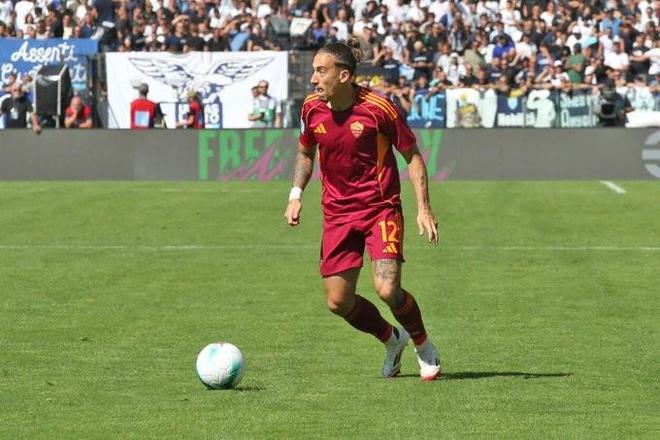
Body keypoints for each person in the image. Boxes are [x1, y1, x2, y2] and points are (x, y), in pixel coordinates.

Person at [283, 39, 441, 380]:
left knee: (387, 289)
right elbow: (305, 154)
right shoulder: (311, 108)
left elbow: (412, 157)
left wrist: (423, 209)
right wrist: (296, 194)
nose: (313, 79)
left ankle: (423, 344)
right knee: (338, 302)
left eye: (320, 71)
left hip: (379, 208)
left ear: (344, 76)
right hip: (337, 214)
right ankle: (392, 339)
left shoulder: (379, 109)